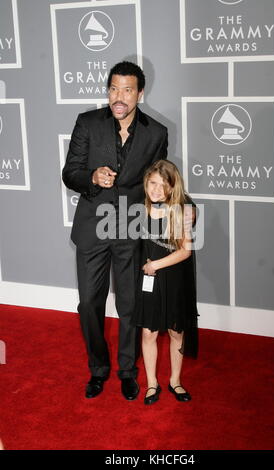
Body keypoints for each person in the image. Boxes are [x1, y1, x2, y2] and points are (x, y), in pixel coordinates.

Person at [62, 61, 168, 400]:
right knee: (89, 304)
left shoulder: (156, 133)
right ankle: (98, 368)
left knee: (129, 304)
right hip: (93, 227)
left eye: (126, 90)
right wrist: (91, 178)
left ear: (140, 93)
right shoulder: (87, 123)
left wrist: (182, 207)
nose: (118, 97)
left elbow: (160, 183)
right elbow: (70, 172)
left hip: (130, 228)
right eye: (113, 89)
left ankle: (126, 369)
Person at [132, 160, 198, 405]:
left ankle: (175, 381)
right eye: (152, 183)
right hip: (148, 281)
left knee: (175, 332)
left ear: (172, 187)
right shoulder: (139, 210)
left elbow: (185, 251)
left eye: (163, 185)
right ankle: (151, 384)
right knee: (148, 333)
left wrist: (155, 265)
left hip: (173, 280)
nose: (156, 190)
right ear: (146, 183)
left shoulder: (180, 211)